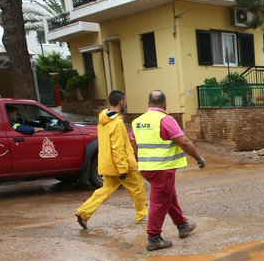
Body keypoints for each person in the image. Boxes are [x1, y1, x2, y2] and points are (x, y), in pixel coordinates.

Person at [133, 90, 205, 251]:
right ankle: (153, 238)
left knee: (169, 197)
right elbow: (184, 142)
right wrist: (198, 157)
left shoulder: (137, 121)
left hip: (146, 167)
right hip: (162, 168)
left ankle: (182, 225)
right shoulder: (165, 119)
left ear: (148, 104)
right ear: (165, 105)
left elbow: (135, 144)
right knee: (159, 202)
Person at [74, 90, 147, 230]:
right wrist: (123, 169)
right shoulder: (117, 124)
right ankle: (142, 215)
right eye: (124, 101)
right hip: (122, 165)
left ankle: (83, 212)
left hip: (108, 164)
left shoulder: (102, 121)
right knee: (137, 187)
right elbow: (118, 147)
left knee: (105, 190)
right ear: (121, 102)